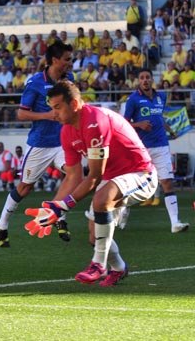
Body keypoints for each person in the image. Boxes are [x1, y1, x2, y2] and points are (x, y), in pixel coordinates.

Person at [25, 80, 157, 286]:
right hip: (112, 178)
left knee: (101, 199)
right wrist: (53, 206)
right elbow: (72, 176)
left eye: (58, 107)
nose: (54, 114)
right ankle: (119, 268)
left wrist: (65, 206)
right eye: (52, 108)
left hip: (141, 173)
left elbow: (95, 176)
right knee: (95, 237)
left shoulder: (95, 121)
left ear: (75, 104)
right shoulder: (67, 131)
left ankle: (98, 264)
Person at [0, 39, 74, 248]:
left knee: (74, 175)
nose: (70, 63)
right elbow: (20, 113)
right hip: (39, 145)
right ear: (55, 60)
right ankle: (2, 225)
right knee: (24, 188)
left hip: (62, 142)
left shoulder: (69, 80)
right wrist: (47, 115)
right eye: (67, 60)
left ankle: (60, 216)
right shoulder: (35, 83)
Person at [122, 69, 189, 233]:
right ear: (138, 81)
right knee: (133, 186)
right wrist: (139, 125)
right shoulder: (133, 99)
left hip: (161, 146)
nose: (145, 80)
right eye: (142, 78)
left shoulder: (161, 97)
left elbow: (159, 116)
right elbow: (123, 123)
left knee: (167, 182)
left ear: (152, 79)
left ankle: (175, 223)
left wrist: (170, 130)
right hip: (141, 149)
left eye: (147, 77)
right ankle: (122, 214)